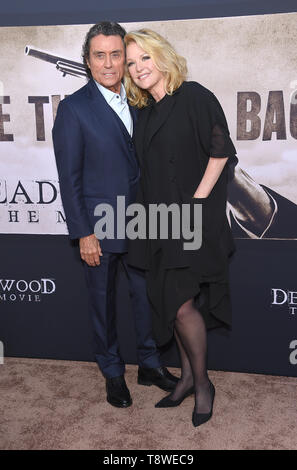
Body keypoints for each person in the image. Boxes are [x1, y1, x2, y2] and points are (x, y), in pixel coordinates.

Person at [52, 22, 178, 409]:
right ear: (88, 61)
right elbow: (69, 178)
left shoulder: (142, 100)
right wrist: (84, 233)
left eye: (115, 54)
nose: (108, 64)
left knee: (147, 300)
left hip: (143, 223)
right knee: (102, 305)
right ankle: (111, 372)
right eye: (99, 55)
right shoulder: (74, 109)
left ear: (126, 58)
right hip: (99, 227)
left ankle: (149, 364)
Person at [124, 29, 237, 426]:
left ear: (162, 56)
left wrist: (197, 201)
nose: (138, 68)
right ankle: (187, 377)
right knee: (171, 305)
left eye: (144, 58)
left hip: (191, 220)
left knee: (183, 303)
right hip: (158, 222)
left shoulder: (195, 96)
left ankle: (202, 384)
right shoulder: (145, 111)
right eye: (132, 62)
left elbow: (221, 150)